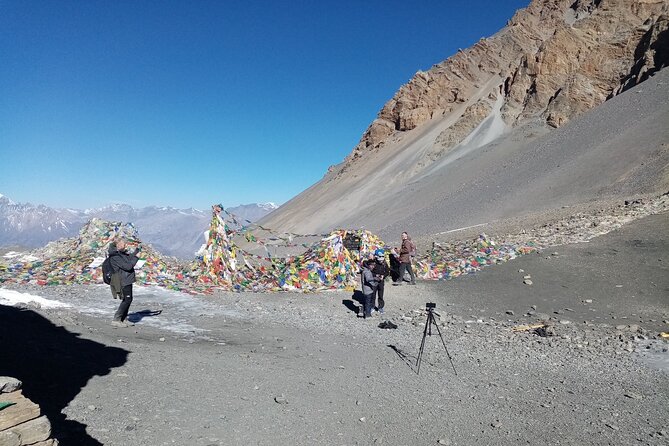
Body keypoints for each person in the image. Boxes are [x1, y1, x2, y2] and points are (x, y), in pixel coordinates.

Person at [108, 237, 141, 327]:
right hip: (123, 280)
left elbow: (128, 258)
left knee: (128, 299)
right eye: (124, 244)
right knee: (127, 299)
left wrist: (136, 251)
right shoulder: (115, 256)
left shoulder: (120, 254)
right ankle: (116, 319)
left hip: (127, 279)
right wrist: (136, 258)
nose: (125, 246)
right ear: (118, 245)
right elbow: (128, 266)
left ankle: (124, 318)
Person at [371, 249, 389, 314]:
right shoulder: (373, 263)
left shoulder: (384, 263)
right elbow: (370, 272)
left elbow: (387, 272)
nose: (381, 261)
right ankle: (372, 307)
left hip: (381, 282)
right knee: (373, 294)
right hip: (374, 281)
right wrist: (376, 275)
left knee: (380, 295)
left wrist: (383, 276)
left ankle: (380, 307)